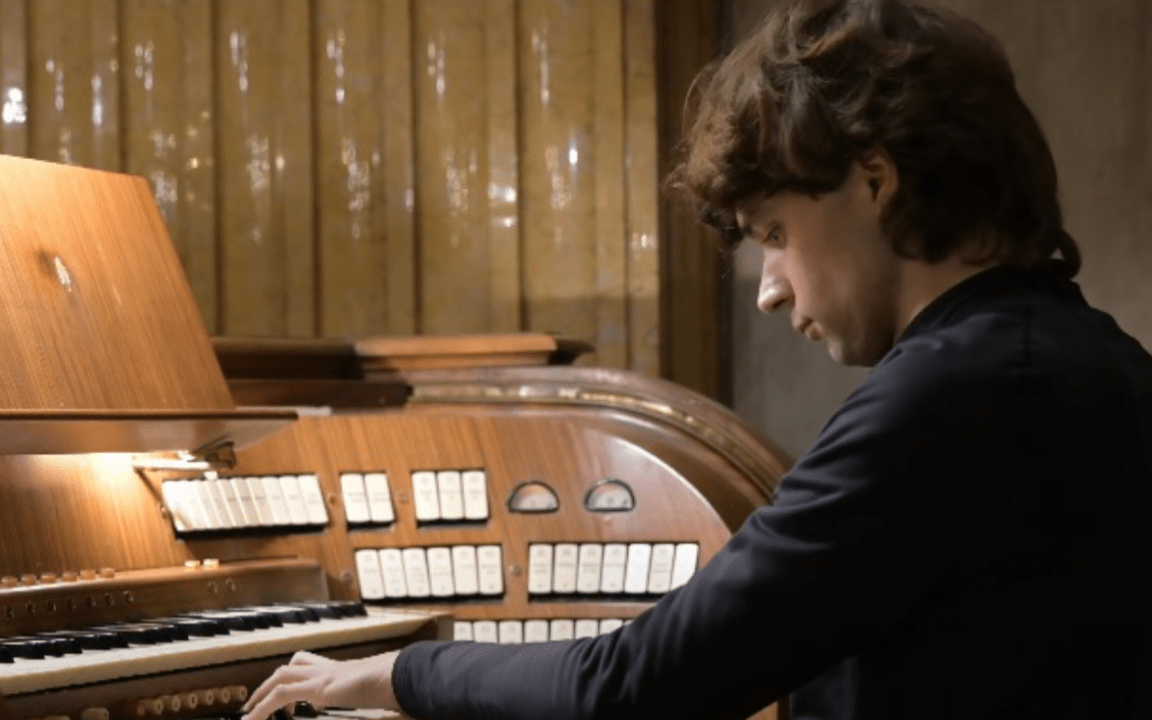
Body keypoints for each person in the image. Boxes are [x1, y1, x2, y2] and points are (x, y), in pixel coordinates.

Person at [242, 0, 1152, 717]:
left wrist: (398, 671)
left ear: (876, 182)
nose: (769, 291)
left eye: (775, 233)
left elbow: (629, 686)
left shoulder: (941, 399)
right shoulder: (1108, 362)